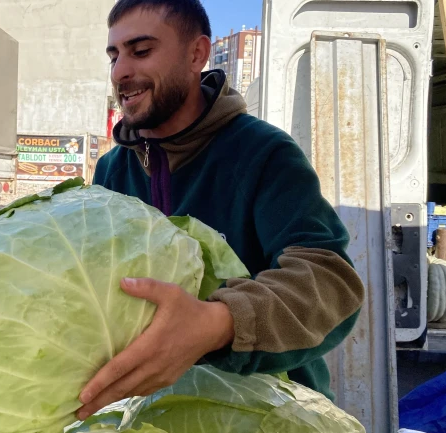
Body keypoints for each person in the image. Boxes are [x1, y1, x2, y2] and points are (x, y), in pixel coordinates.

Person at [76, 0, 365, 421]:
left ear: (197, 54)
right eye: (114, 55)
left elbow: (330, 281)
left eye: (140, 51)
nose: (120, 71)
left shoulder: (264, 154)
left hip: (265, 413)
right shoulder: (111, 169)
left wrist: (217, 324)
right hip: (140, 414)